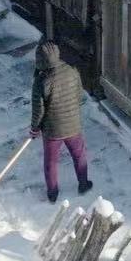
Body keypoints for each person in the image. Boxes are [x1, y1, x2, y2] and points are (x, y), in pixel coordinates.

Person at [30, 41, 92, 202]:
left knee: (51, 162)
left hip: (52, 131)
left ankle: (52, 193)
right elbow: (78, 96)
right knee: (79, 156)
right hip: (73, 125)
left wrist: (35, 129)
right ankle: (83, 184)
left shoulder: (41, 81)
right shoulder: (72, 71)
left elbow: (38, 111)